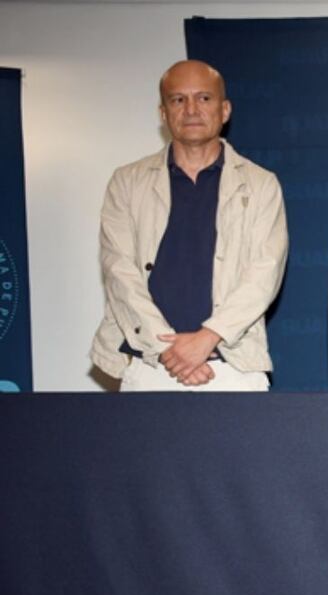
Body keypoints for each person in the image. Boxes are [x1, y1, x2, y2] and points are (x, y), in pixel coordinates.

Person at [90, 60, 288, 391]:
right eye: (178, 99)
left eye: (204, 98)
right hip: (150, 363)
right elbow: (118, 270)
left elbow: (265, 273)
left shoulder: (260, 184)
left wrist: (208, 337)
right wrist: (168, 349)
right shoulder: (127, 182)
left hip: (233, 367)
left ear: (225, 110)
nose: (191, 109)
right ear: (163, 112)